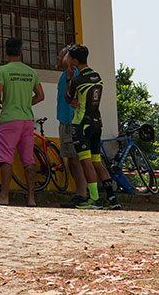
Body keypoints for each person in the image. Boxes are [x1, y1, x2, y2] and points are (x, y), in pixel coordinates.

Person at [0, 37, 45, 206]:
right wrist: (27, 104)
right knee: (28, 159)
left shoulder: (3, 71)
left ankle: (4, 196)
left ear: (5, 52)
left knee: (6, 158)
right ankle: (31, 199)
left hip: (10, 120)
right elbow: (41, 96)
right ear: (21, 53)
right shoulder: (31, 72)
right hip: (27, 120)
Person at [64, 43, 120, 209]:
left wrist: (68, 78)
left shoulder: (76, 80)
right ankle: (112, 198)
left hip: (81, 124)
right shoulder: (97, 76)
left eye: (68, 56)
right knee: (97, 161)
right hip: (96, 122)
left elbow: (69, 98)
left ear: (74, 60)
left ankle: (93, 199)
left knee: (86, 162)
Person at [56, 46, 87, 208]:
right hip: (65, 120)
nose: (59, 59)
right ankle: (81, 192)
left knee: (75, 160)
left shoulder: (74, 74)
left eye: (62, 56)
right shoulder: (65, 75)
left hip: (71, 121)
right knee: (72, 160)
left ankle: (82, 194)